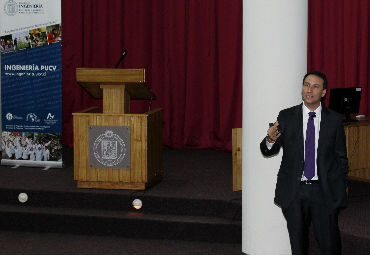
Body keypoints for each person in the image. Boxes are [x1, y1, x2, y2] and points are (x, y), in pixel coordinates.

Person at [260, 71, 348, 255]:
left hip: (323, 191)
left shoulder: (334, 120)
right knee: (298, 247)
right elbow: (268, 150)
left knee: (329, 245)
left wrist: (338, 189)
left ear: (323, 92)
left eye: (315, 86)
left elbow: (341, 157)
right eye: (306, 85)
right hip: (294, 192)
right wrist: (269, 139)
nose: (309, 90)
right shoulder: (286, 116)